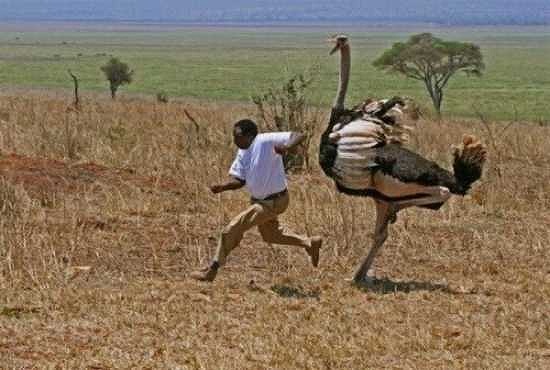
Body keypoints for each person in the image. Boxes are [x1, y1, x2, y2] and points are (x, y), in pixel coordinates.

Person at [190, 119, 322, 282]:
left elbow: (299, 135)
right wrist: (223, 187)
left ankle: (212, 270)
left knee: (232, 228)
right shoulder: (242, 153)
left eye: (238, 136)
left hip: (274, 201)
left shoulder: (264, 140)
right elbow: (239, 180)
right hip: (260, 202)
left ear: (250, 135)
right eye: (233, 136)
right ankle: (309, 243)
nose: (235, 140)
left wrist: (286, 147)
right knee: (271, 235)